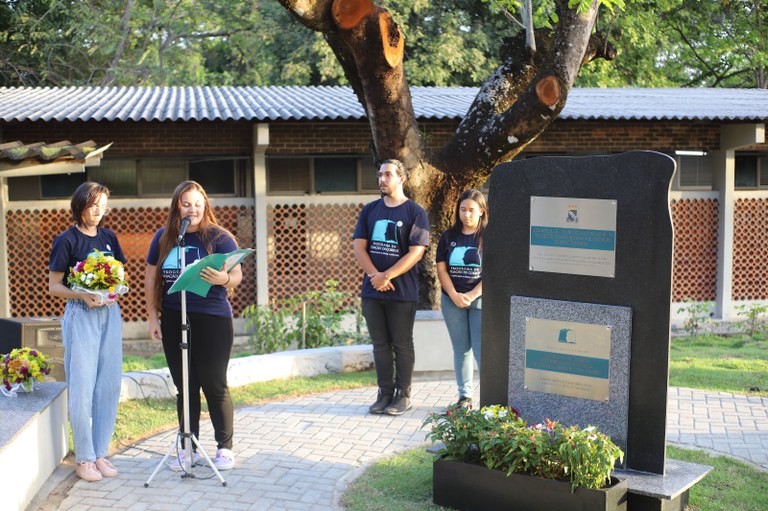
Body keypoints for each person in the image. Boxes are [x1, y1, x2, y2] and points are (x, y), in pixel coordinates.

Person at [144, 180, 243, 471]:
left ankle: (224, 448)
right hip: (175, 317)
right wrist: (152, 315)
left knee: (214, 384)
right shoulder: (165, 237)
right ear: (177, 205)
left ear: (205, 205)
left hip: (212, 317)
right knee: (185, 386)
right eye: (187, 203)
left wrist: (224, 279)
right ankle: (188, 448)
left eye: (198, 204)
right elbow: (151, 277)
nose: (193, 209)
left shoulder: (220, 237)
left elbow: (236, 274)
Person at [48, 182, 126, 482]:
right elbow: (55, 286)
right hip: (81, 315)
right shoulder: (66, 240)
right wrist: (82, 295)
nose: (98, 211)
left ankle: (100, 453)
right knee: (82, 386)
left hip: (110, 313)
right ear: (80, 205)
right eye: (93, 205)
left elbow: (120, 272)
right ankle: (84, 458)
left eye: (103, 205)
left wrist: (113, 291)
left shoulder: (109, 237)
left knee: (108, 384)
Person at [353, 159, 430, 416]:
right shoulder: (370, 210)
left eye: (387, 174)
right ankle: (384, 393)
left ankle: (403, 395)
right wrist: (375, 275)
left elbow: (416, 252)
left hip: (402, 293)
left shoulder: (415, 212)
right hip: (372, 291)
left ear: (401, 178)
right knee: (380, 344)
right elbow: (359, 247)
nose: (382, 179)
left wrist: (387, 276)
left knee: (402, 344)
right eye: (379, 175)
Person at [436, 189, 487, 408]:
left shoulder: (489, 237)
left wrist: (473, 294)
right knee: (461, 349)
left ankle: (489, 396)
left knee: (481, 349)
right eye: (462, 209)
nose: (466, 215)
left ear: (482, 211)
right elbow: (442, 270)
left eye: (471, 210)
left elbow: (494, 271)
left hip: (480, 300)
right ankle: (465, 396)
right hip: (452, 301)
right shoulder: (448, 237)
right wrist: (455, 296)